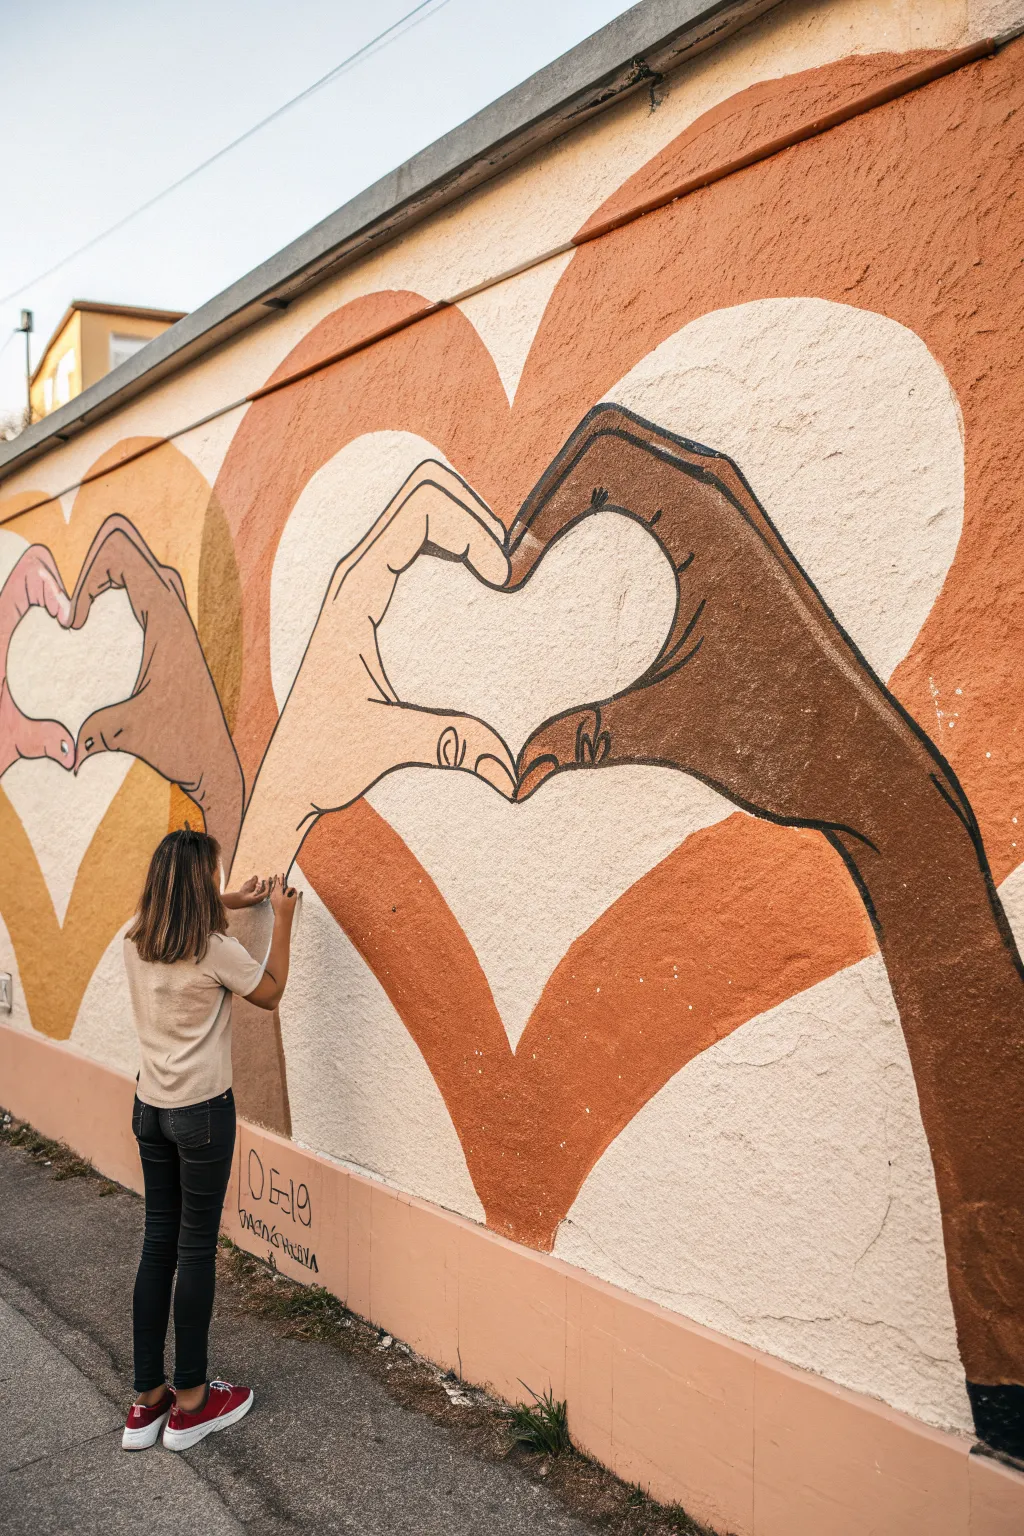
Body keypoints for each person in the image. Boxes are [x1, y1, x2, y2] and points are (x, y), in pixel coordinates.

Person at [119, 826, 297, 1452]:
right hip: (202, 1115)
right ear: (202, 886)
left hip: (150, 1109)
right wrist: (278, 917)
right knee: (195, 1249)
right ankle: (193, 1403)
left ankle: (147, 1404)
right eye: (216, 879)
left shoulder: (137, 932)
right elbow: (270, 994)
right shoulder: (212, 951)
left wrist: (236, 900)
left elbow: (179, 901)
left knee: (157, 1241)